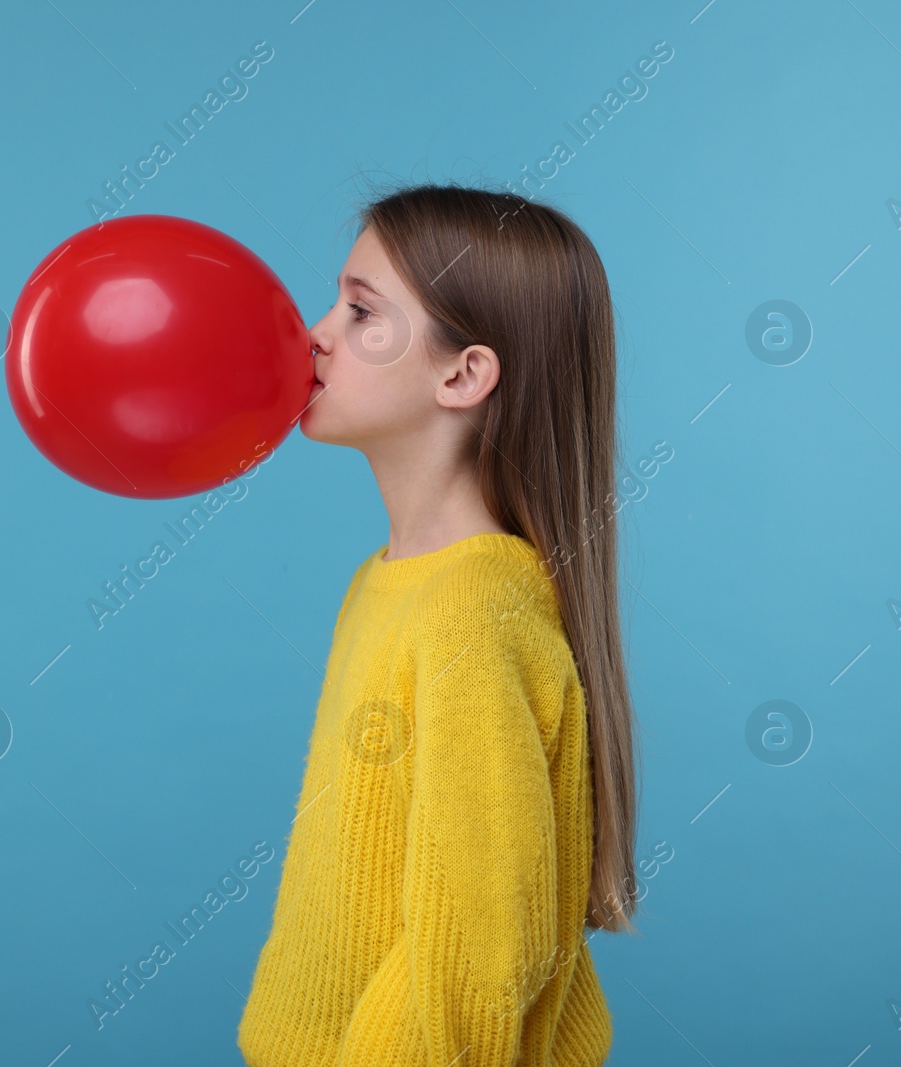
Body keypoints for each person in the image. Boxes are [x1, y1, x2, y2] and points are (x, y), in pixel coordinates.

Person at [237, 182, 640, 1067]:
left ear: (462, 374)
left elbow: (484, 949)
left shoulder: (472, 614)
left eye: (361, 312)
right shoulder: (383, 585)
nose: (315, 334)